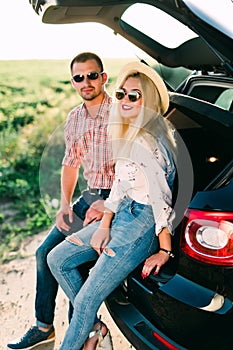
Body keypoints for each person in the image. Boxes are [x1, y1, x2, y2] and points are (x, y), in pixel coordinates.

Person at [47, 61, 178, 350]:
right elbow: (119, 186)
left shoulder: (147, 141)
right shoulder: (127, 133)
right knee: (56, 258)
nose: (125, 100)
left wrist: (164, 250)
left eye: (135, 95)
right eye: (121, 94)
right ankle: (95, 328)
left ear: (149, 100)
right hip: (122, 212)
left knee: (84, 301)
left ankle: (85, 331)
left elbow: (161, 202)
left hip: (140, 223)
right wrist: (104, 224)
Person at [7, 52, 114, 350]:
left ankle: (82, 334)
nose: (86, 82)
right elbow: (71, 164)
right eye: (79, 78)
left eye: (92, 75)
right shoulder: (74, 118)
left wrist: (109, 206)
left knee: (72, 262)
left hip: (116, 200)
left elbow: (135, 170)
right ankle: (44, 328)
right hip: (89, 195)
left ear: (103, 77)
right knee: (44, 253)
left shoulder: (120, 114)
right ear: (73, 82)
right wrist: (65, 205)